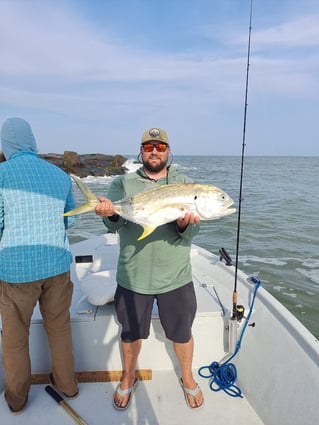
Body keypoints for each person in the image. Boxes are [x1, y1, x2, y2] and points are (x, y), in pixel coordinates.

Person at [95, 127, 204, 410]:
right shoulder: (123, 184)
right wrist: (110, 214)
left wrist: (183, 223)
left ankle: (188, 377)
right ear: (141, 151)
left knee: (182, 333)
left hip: (176, 277)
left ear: (169, 151)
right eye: (148, 147)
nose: (154, 151)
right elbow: (113, 225)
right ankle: (129, 377)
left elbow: (190, 234)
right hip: (133, 276)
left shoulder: (185, 185)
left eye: (160, 147)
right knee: (130, 334)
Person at [0, 117, 78, 414]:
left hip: (15, 272)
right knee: (59, 329)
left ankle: (17, 401)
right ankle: (68, 387)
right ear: (32, 140)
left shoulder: (2, 174)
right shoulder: (59, 175)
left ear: (6, 144)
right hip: (57, 267)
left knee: (15, 338)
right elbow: (70, 219)